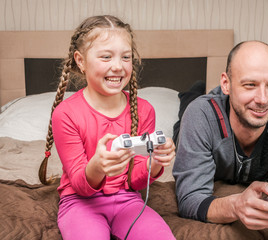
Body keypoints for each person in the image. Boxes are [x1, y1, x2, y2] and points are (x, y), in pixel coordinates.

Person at [38, 15, 176, 240]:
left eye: (126, 57)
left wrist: (156, 162)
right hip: (80, 204)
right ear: (80, 61)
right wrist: (97, 166)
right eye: (105, 57)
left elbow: (136, 182)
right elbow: (81, 187)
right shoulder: (66, 114)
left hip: (128, 202)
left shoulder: (144, 110)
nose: (117, 66)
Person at [173, 40, 268, 230]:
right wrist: (235, 206)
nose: (263, 99)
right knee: (189, 106)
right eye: (250, 85)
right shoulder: (201, 115)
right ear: (226, 83)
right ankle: (191, 92)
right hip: (197, 115)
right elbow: (191, 199)